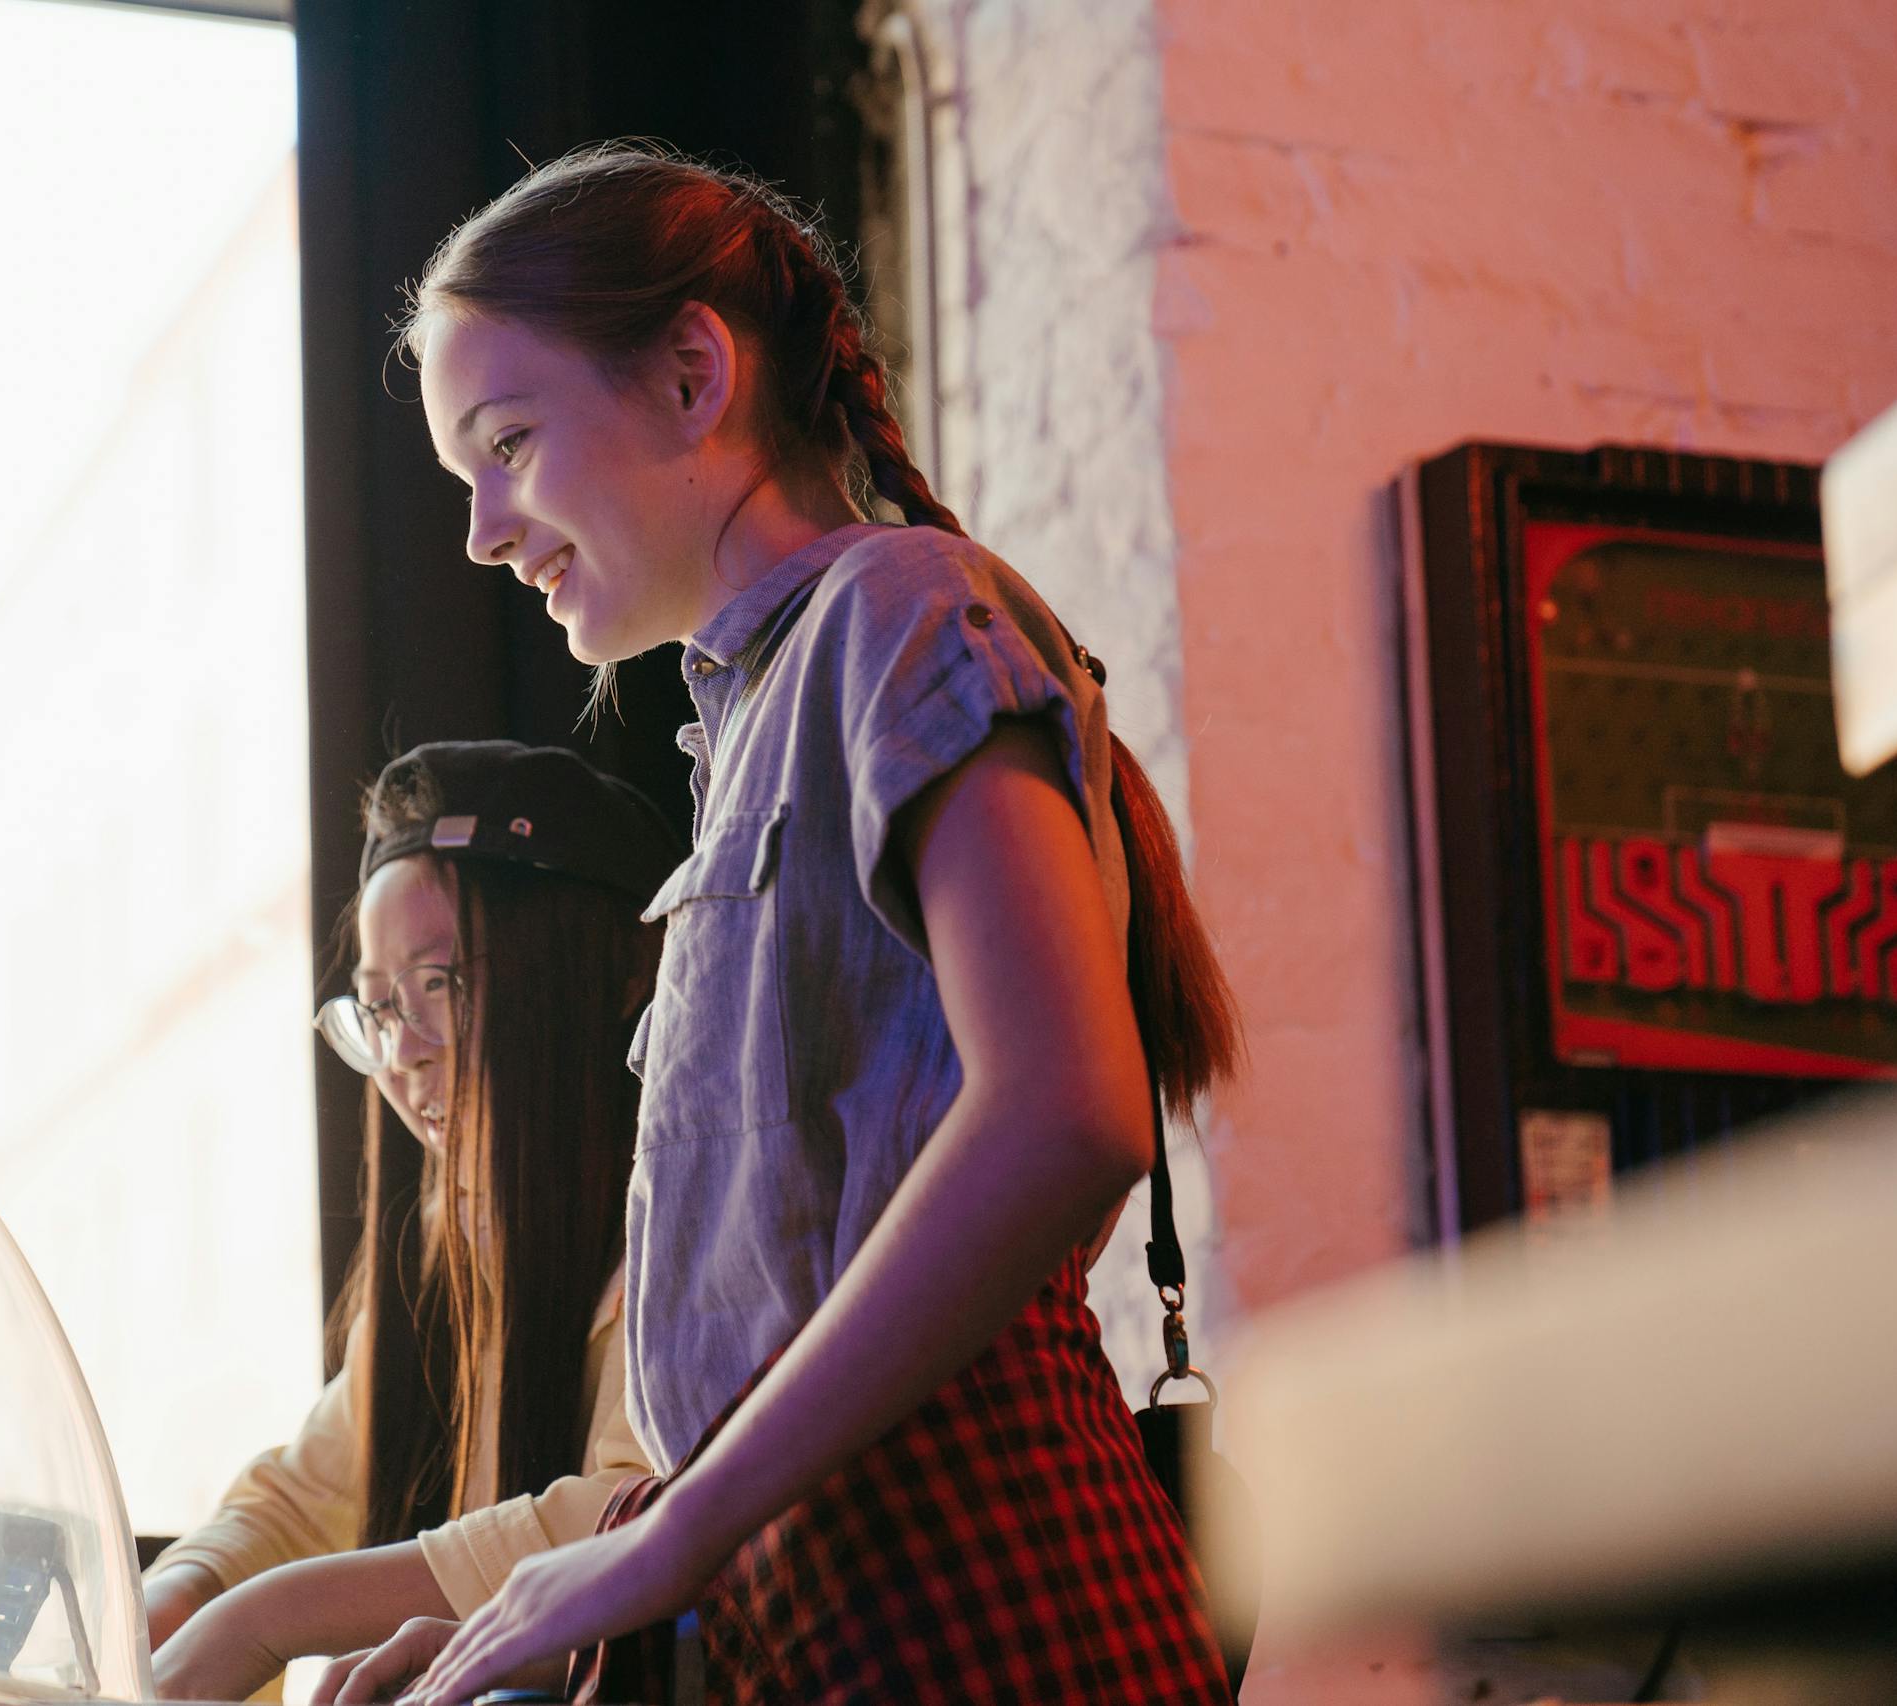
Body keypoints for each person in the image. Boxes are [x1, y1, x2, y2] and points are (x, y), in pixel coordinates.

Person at [385, 145, 1244, 1704]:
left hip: (989, 1592)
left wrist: (665, 1543)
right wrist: (564, 1591)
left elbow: (1066, 1110)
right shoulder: (753, 725)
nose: (484, 531)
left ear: (693, 373)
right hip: (830, 1610)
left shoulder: (900, 611)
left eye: (508, 442)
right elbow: (781, 1317)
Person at [147, 741, 678, 1702]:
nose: (406, 1055)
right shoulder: (451, 1245)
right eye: (379, 1009)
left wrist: (264, 1618)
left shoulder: (684, 1219)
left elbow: (638, 1514)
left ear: (598, 977)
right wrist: (182, 1593)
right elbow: (310, 1493)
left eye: (442, 986)